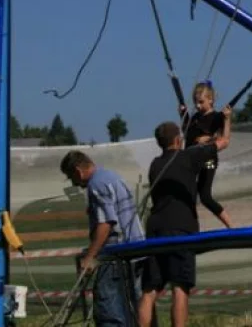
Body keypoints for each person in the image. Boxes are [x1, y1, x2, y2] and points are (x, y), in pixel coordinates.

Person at [137, 115, 231, 327]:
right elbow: (224, 142)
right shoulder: (189, 157)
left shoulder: (155, 164)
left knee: (150, 289)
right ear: (178, 140)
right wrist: (226, 119)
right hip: (180, 228)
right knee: (180, 287)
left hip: (155, 229)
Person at [60, 151, 144, 327]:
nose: (74, 183)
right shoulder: (111, 176)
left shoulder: (96, 184)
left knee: (109, 311)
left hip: (115, 256)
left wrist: (90, 256)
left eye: (71, 177)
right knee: (133, 309)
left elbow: (106, 223)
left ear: (78, 171)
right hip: (135, 251)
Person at [179, 80, 234, 229]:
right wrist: (183, 115)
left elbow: (225, 139)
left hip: (208, 162)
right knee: (187, 195)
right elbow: (187, 134)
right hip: (191, 161)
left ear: (211, 100)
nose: (197, 106)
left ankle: (231, 226)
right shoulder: (194, 118)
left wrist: (227, 119)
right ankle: (190, 227)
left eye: (201, 102)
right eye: (195, 102)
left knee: (205, 197)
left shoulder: (217, 117)